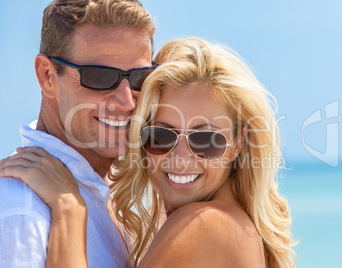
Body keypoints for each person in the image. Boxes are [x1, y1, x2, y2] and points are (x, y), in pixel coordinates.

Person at [0, 38, 297, 267]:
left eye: (205, 139)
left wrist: (69, 209)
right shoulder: (235, 223)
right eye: (160, 136)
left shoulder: (203, 224)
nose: (180, 157)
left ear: (238, 143)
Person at [0, 0, 156, 267]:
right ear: (47, 76)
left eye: (140, 77)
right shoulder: (20, 209)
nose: (127, 101)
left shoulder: (119, 198)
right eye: (99, 77)